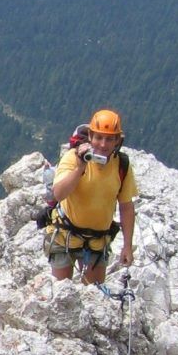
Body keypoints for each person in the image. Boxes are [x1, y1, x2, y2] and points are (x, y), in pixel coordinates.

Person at [46, 109, 137, 284]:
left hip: (97, 242)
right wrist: (80, 168)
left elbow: (126, 207)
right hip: (65, 235)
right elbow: (59, 193)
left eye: (109, 139)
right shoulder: (73, 158)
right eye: (99, 138)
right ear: (90, 136)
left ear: (118, 140)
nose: (103, 144)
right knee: (59, 296)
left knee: (93, 297)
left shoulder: (122, 165)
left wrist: (127, 246)